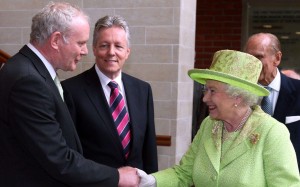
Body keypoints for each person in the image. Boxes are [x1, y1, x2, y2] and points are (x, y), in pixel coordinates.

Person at [0, 2, 139, 186]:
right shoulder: (28, 81)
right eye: (80, 43)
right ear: (56, 40)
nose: (85, 51)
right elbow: (59, 160)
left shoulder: (31, 71)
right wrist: (118, 177)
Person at [137, 50, 300, 187]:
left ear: (237, 96)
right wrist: (151, 181)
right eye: (205, 90)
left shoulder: (271, 132)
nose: (205, 98)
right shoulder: (209, 125)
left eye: (212, 91)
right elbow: (185, 172)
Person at [62, 15, 158, 173]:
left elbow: (149, 150)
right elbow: (71, 153)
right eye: (104, 45)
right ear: (94, 49)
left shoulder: (143, 90)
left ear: (127, 52)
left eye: (118, 46)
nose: (111, 52)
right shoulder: (71, 91)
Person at [244, 32, 300, 169]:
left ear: (277, 58)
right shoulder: (238, 95)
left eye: (259, 57)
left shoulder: (298, 91)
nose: (252, 63)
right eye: (248, 57)